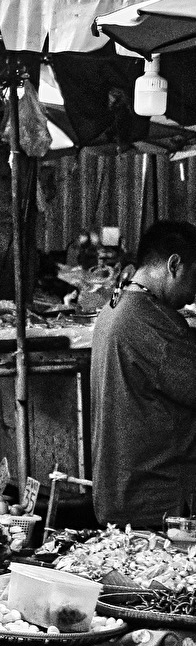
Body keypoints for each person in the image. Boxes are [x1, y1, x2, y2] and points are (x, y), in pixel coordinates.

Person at [90, 221, 196, 527]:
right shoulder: (154, 323)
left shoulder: (116, 307)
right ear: (174, 265)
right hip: (158, 501)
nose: (193, 296)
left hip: (124, 493)